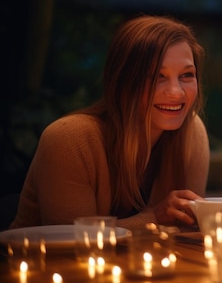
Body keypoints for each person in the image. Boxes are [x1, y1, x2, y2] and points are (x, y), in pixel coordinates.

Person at [10, 15, 210, 231]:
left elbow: (186, 231)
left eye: (187, 75)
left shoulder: (192, 132)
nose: (175, 92)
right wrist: (154, 219)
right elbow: (72, 242)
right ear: (123, 82)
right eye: (156, 77)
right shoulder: (68, 139)